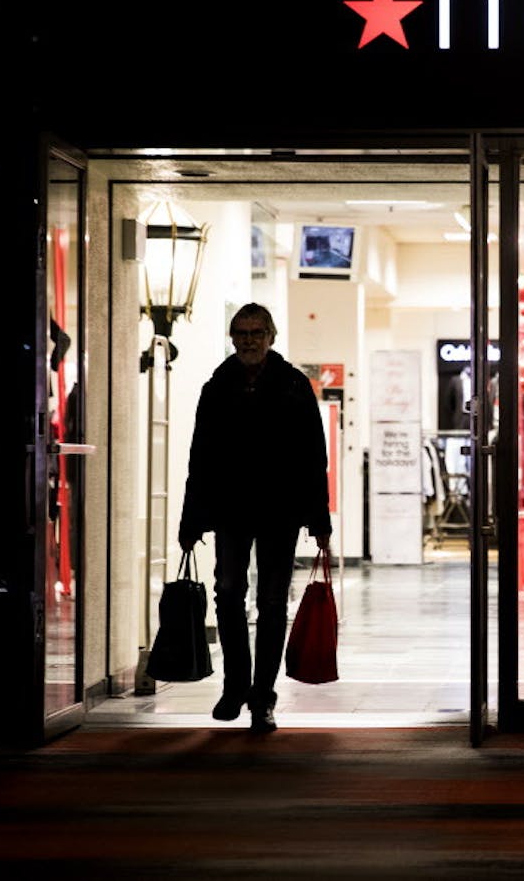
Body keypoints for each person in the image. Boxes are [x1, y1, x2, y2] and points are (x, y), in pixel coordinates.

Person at [178, 303, 332, 734]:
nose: (249, 340)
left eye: (256, 332)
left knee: (270, 602)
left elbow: (312, 458)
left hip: (279, 512)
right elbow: (200, 456)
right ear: (233, 337)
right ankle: (235, 686)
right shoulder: (218, 386)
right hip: (230, 509)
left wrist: (319, 519)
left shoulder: (293, 386)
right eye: (242, 333)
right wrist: (192, 519)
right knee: (226, 593)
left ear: (271, 336)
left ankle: (262, 697)